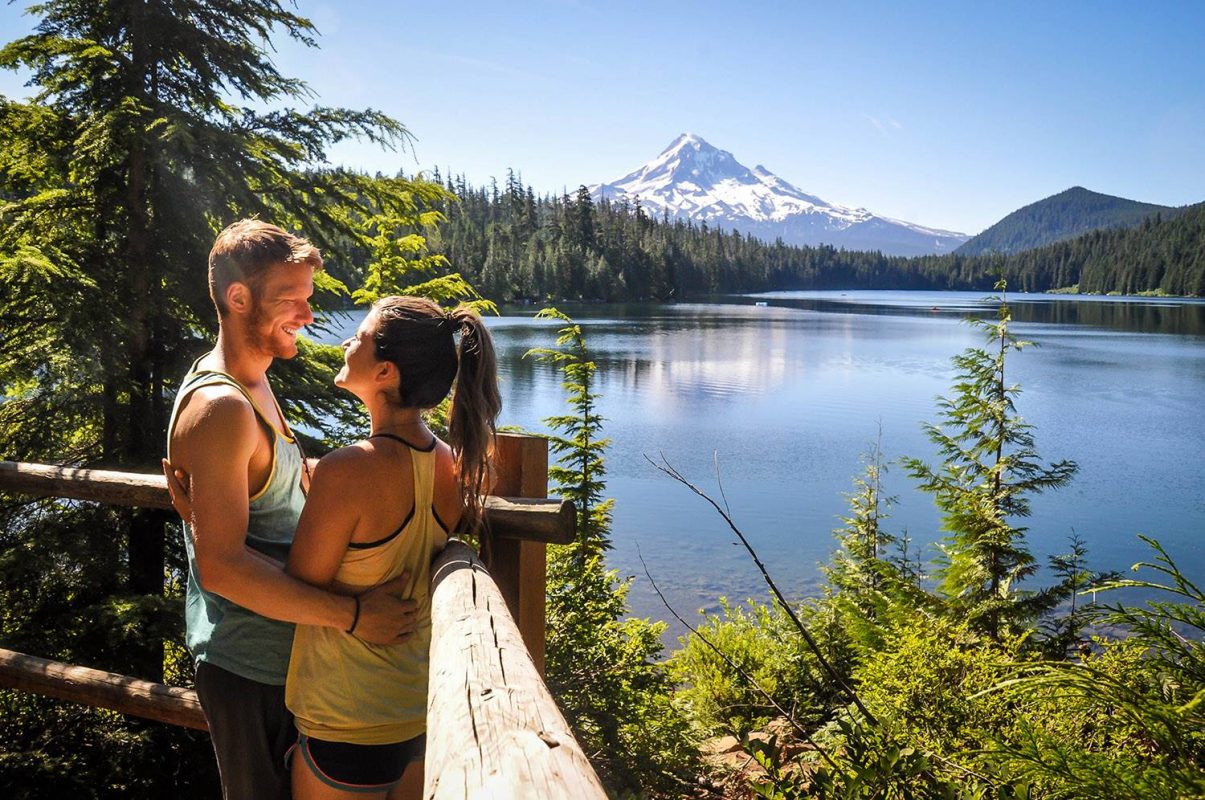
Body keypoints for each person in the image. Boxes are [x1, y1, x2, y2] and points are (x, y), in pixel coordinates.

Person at [164, 219, 418, 800]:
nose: (307, 315)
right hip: (251, 670)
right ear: (237, 298)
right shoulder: (222, 405)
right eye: (291, 300)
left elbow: (256, 501)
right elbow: (222, 568)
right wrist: (355, 614)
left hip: (290, 667)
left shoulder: (254, 379)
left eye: (308, 299)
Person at [283, 296, 500, 799]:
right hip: (415, 714)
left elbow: (297, 589)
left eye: (357, 337)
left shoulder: (348, 469)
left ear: (383, 371)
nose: (345, 342)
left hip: (346, 718)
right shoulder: (451, 464)